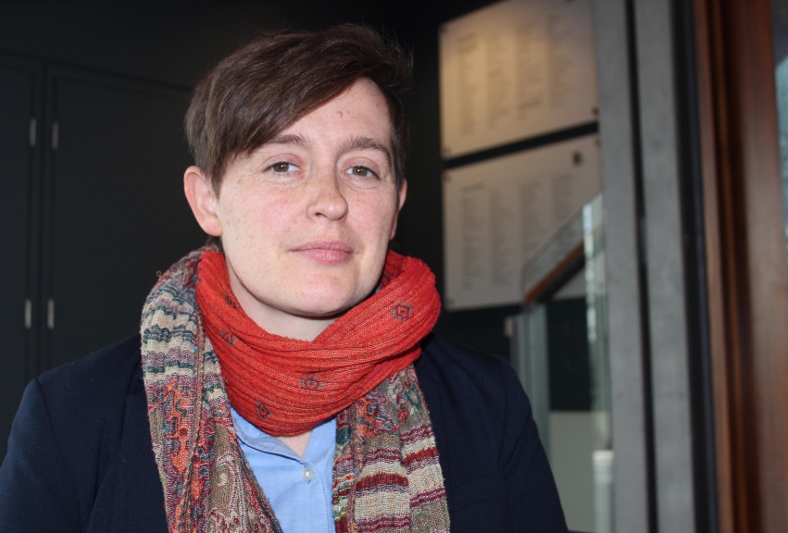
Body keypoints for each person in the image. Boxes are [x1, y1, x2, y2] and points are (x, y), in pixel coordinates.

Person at [0, 24, 568, 533]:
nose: (330, 201)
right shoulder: (69, 417)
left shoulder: (487, 402)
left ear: (395, 208)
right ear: (208, 201)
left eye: (361, 169)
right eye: (282, 164)